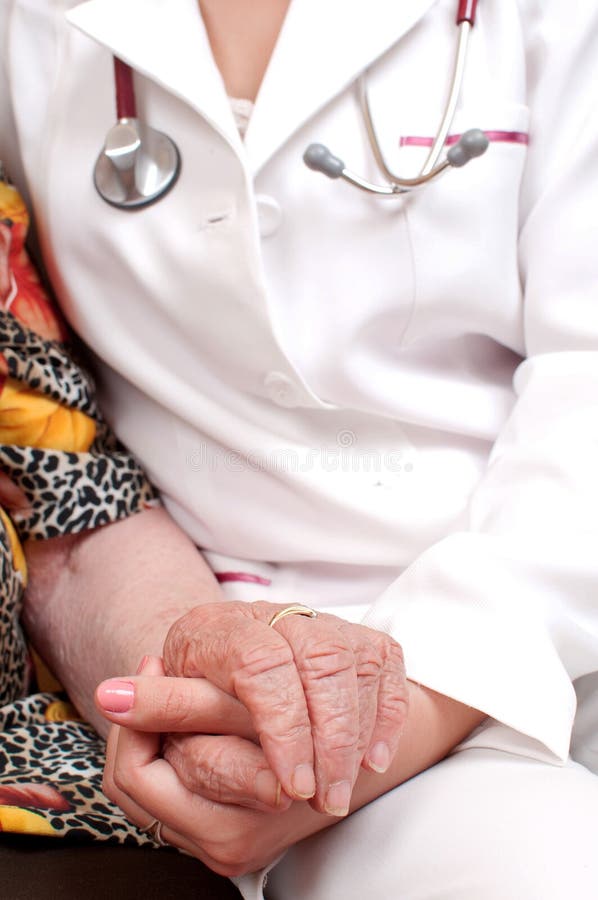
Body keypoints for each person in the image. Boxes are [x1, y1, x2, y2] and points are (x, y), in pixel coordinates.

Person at [1, 0, 598, 897]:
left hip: (543, 591)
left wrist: (410, 698)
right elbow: (40, 419)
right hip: (262, 660)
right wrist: (250, 710)